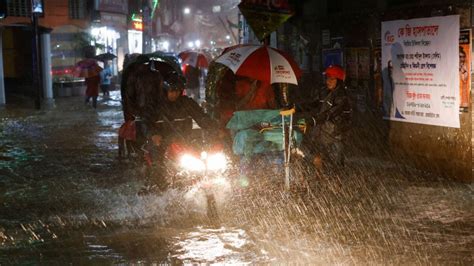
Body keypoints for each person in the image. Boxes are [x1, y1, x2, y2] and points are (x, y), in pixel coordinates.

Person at [296, 65, 352, 170]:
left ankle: (337, 183)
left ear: (339, 81)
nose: (328, 81)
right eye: (327, 78)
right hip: (323, 132)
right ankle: (321, 179)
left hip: (336, 135)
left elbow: (330, 114)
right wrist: (296, 107)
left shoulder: (342, 97)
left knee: (336, 164)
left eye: (332, 79)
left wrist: (312, 121)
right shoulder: (325, 92)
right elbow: (314, 103)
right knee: (318, 158)